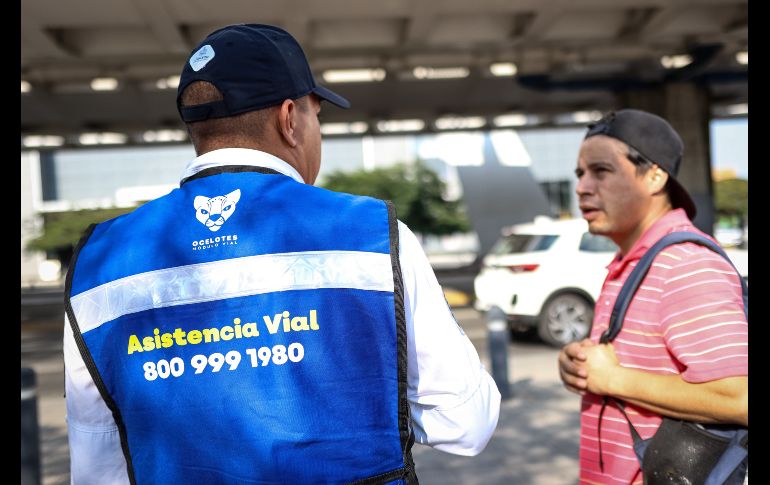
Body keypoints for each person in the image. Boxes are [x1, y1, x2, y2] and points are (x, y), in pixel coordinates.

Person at [63, 23, 501, 484]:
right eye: (317, 115)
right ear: (290, 119)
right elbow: (466, 423)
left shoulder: (99, 260)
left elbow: (97, 469)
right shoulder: (372, 232)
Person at [557, 109, 748, 484]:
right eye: (580, 174)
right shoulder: (634, 262)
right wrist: (578, 366)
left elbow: (740, 397)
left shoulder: (686, 263)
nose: (582, 187)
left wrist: (612, 379)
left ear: (655, 176)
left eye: (601, 171)